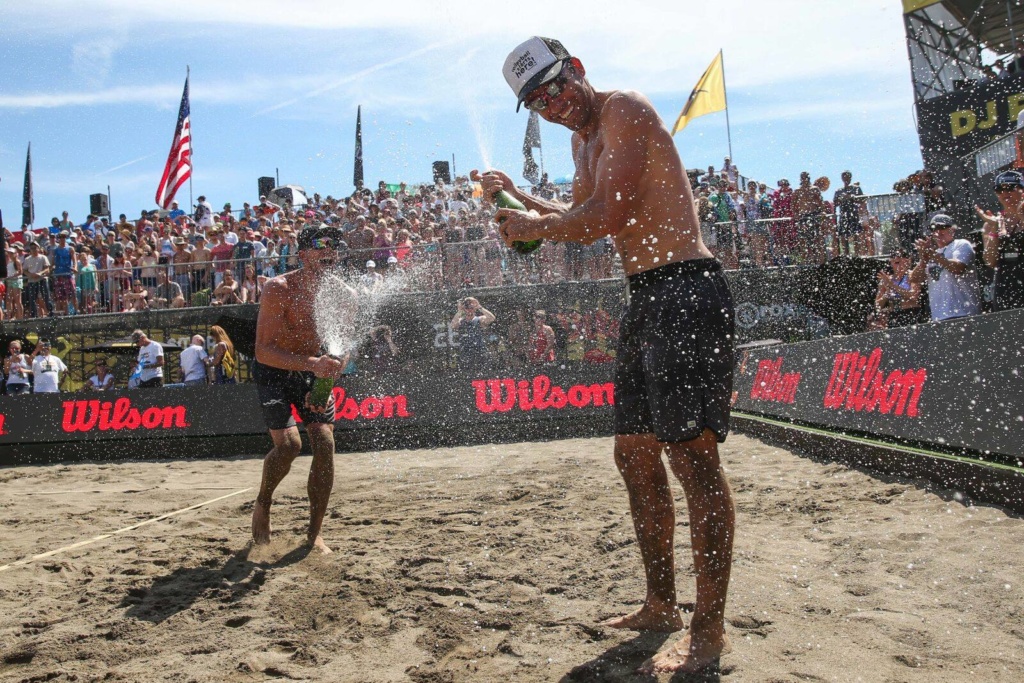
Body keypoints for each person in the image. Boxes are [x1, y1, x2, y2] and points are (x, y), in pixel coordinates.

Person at [476, 36, 735, 674]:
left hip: (686, 287)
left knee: (692, 459)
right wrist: (523, 199)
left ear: (579, 70)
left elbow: (607, 212)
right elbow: (586, 212)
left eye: (556, 87)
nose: (552, 104)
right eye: (536, 101)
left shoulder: (625, 109)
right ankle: (661, 603)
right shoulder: (580, 139)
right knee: (634, 455)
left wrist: (532, 227)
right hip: (647, 295)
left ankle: (710, 629)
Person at [251, 225, 355, 554]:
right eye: (320, 246)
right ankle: (263, 503)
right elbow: (262, 351)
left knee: (324, 442)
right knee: (289, 447)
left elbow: (343, 349)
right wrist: (314, 365)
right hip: (275, 368)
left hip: (313, 369)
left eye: (334, 246)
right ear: (302, 254)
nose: (329, 251)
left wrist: (326, 379)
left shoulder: (344, 294)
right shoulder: (278, 288)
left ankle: (314, 535)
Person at [910, 214, 980, 322]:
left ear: (952, 230)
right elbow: (915, 279)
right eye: (933, 228)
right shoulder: (932, 253)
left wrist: (932, 254)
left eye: (942, 227)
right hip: (939, 317)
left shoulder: (961, 244)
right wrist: (923, 260)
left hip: (965, 313)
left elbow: (958, 268)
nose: (938, 232)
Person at [976, 170, 1024, 311]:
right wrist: (995, 228)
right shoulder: (992, 223)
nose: (1004, 192)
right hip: (1006, 285)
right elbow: (990, 261)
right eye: (999, 189)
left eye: (1010, 187)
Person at [874, 249, 922, 328]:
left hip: (911, 313)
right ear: (891, 262)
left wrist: (891, 285)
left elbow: (914, 296)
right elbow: (877, 305)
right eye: (896, 263)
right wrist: (886, 294)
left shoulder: (912, 275)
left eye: (902, 262)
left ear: (908, 261)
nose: (899, 265)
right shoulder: (887, 279)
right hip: (894, 315)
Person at [449, 296, 495, 372]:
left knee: (482, 373)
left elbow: (491, 318)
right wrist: (460, 311)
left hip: (480, 352)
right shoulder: (460, 321)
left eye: (471, 307)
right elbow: (453, 326)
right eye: (467, 308)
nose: (469, 310)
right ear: (464, 309)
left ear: (474, 309)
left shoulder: (479, 319)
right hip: (466, 352)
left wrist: (479, 307)